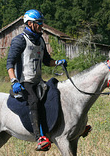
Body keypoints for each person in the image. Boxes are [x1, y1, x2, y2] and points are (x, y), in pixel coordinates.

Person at [6, 9, 67, 151]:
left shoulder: (40, 40)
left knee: (55, 92)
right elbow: (10, 64)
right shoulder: (19, 40)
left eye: (41, 23)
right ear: (29, 24)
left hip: (38, 81)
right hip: (24, 82)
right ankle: (39, 137)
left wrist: (58, 62)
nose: (41, 25)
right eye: (38, 23)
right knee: (33, 101)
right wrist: (14, 81)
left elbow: (47, 61)